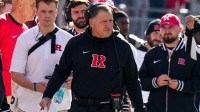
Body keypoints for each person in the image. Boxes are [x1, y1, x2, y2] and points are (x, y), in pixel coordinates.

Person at [40, 3, 146, 112]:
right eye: (104, 21)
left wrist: (139, 108)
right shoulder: (76, 43)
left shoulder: (123, 47)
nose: (109, 25)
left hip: (109, 108)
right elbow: (61, 71)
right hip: (80, 107)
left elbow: (132, 80)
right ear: (91, 23)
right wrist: (48, 95)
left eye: (110, 20)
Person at [10, 0, 72, 111]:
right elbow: (15, 73)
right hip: (28, 105)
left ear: (57, 12)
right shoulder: (24, 38)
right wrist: (34, 86)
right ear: (36, 11)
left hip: (59, 106)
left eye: (50, 11)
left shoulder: (68, 40)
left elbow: (78, 70)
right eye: (43, 11)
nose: (47, 15)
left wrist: (73, 79)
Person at [139, 13, 200, 112]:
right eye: (163, 27)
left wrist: (181, 85)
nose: (167, 30)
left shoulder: (192, 52)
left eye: (171, 27)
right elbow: (140, 81)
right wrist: (155, 82)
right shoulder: (151, 54)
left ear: (180, 29)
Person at [0, 0, 36, 111]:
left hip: (24, 92)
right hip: (6, 94)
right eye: (32, 5)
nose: (36, 9)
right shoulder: (2, 23)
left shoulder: (27, 30)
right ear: (20, 3)